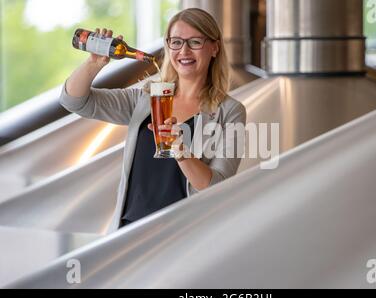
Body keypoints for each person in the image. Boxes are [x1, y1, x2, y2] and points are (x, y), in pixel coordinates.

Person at [60, 8, 247, 233]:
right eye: (176, 42)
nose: (184, 50)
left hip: (184, 235)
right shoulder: (146, 98)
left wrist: (181, 151)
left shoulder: (230, 111)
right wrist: (94, 64)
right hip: (128, 231)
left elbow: (217, 187)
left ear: (214, 47)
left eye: (195, 42)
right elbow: (74, 101)